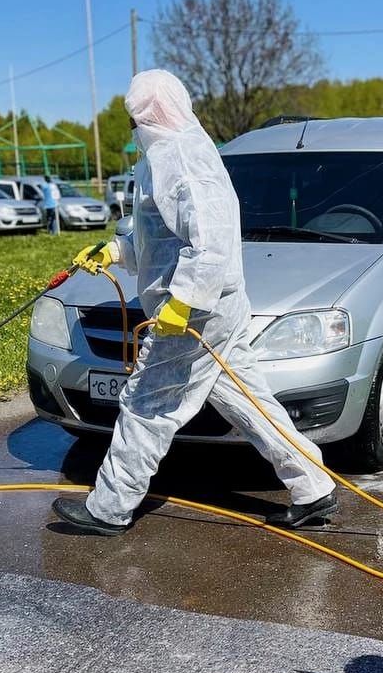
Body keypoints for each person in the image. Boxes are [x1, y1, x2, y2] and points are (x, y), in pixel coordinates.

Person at [51, 69, 337, 536]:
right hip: (208, 310)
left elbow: (212, 242)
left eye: (136, 117)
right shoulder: (160, 155)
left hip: (195, 315)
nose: (133, 128)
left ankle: (110, 507)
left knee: (146, 403)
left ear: (152, 114)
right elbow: (158, 234)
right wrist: (115, 250)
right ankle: (313, 487)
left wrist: (184, 302)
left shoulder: (184, 156)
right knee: (250, 401)